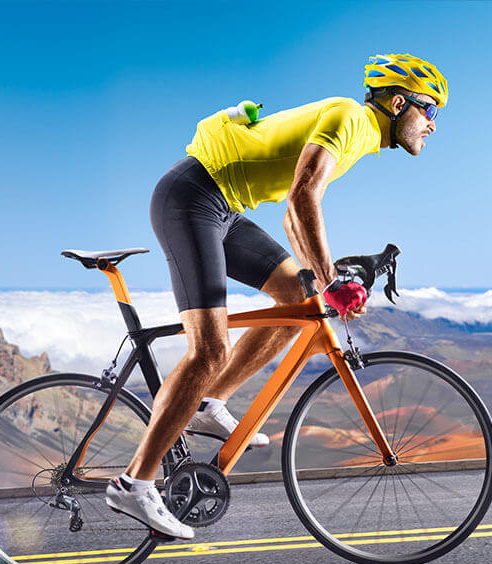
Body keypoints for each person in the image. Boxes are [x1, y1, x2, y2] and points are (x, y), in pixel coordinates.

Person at [105, 53, 448, 539]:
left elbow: (297, 211)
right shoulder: (353, 117)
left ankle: (207, 405)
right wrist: (332, 280)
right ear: (398, 103)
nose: (434, 125)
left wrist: (324, 279)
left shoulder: (362, 133)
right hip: (192, 198)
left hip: (222, 205)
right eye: (431, 111)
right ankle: (133, 483)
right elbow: (300, 200)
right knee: (209, 349)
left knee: (295, 298)